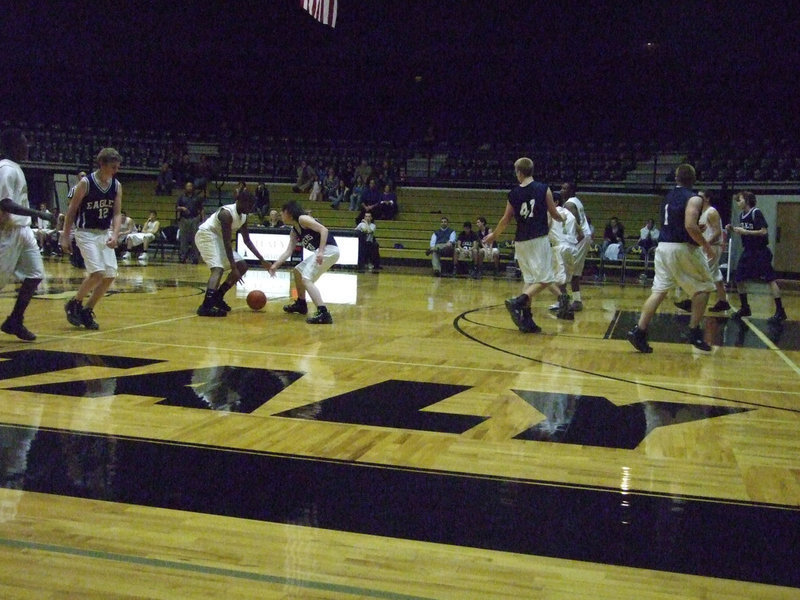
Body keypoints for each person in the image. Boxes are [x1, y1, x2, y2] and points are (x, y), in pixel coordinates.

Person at [627, 164, 715, 353]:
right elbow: (690, 225)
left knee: (659, 291)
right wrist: (706, 246)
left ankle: (639, 331)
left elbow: (677, 223)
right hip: (681, 248)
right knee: (705, 287)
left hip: (663, 247)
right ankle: (694, 332)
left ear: (676, 178)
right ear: (693, 179)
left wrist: (691, 229)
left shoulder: (668, 197)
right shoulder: (694, 198)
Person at [482, 157, 563, 333]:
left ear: (519, 172)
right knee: (546, 278)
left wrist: (494, 235)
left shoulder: (513, 193)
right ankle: (518, 301)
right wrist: (562, 218)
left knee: (530, 280)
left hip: (521, 241)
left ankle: (527, 319)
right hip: (538, 239)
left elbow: (506, 219)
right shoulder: (543, 189)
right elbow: (554, 213)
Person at [0, 128, 56, 341]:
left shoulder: (15, 168)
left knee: (35, 274)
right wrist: (38, 213)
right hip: (7, 231)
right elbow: (4, 203)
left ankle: (15, 320)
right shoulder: (6, 169)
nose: (27, 147)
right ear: (12, 146)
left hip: (23, 232)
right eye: (24, 144)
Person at [61, 147, 124, 331]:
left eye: (117, 167)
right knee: (97, 273)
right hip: (86, 232)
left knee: (110, 275)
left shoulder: (116, 185)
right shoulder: (86, 183)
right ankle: (74, 303)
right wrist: (65, 236)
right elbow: (71, 211)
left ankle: (87, 310)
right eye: (113, 167)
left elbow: (117, 213)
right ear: (102, 164)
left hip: (104, 233)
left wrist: (115, 233)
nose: (116, 170)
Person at [194, 190, 270, 317]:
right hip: (206, 235)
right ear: (241, 202)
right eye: (249, 205)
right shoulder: (226, 214)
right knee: (218, 268)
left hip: (217, 238)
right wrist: (233, 268)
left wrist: (262, 260)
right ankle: (206, 306)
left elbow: (247, 240)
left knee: (243, 266)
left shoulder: (244, 216)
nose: (251, 208)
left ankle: (217, 297)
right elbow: (227, 243)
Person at [269, 200, 340, 324]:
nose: (281, 214)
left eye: (283, 211)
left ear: (290, 212)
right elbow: (288, 251)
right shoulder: (294, 231)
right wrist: (275, 265)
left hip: (329, 249)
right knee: (298, 271)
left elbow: (324, 230)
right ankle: (301, 303)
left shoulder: (303, 219)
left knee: (306, 279)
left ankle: (323, 312)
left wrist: (321, 251)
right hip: (323, 251)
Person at [726, 191, 787, 324]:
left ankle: (780, 311)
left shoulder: (756, 212)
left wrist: (745, 231)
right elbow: (745, 231)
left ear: (747, 200)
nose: (737, 202)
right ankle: (745, 307)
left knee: (770, 279)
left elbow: (763, 231)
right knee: (738, 278)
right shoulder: (742, 215)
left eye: (739, 200)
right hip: (748, 251)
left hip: (760, 252)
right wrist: (733, 229)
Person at [674, 190, 730, 313]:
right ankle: (723, 302)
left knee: (701, 274)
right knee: (715, 275)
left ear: (707, 198)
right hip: (709, 246)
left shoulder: (712, 212)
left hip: (713, 247)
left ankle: (690, 302)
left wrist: (705, 244)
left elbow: (717, 232)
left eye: (700, 196)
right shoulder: (702, 212)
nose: (697, 198)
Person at [546, 194, 581, 320]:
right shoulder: (570, 214)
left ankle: (564, 304)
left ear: (555, 202)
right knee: (565, 279)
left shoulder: (551, 212)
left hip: (559, 247)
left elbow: (546, 227)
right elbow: (580, 233)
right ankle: (563, 303)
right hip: (572, 248)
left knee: (557, 280)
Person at [560, 183, 592, 310]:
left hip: (581, 238)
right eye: (562, 188)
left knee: (563, 270)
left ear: (571, 190)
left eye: (564, 188)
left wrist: (571, 242)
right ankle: (576, 301)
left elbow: (576, 223)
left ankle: (563, 300)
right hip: (585, 237)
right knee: (575, 272)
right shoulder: (576, 201)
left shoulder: (569, 204)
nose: (562, 190)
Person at [175, 181, 203, 263]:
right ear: (185, 188)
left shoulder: (197, 197)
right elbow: (176, 207)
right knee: (184, 239)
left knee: (195, 239)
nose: (189, 188)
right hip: (184, 219)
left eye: (190, 186)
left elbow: (201, 209)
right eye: (187, 186)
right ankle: (183, 257)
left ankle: (195, 258)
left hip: (194, 219)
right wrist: (182, 208)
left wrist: (201, 219)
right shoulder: (181, 197)